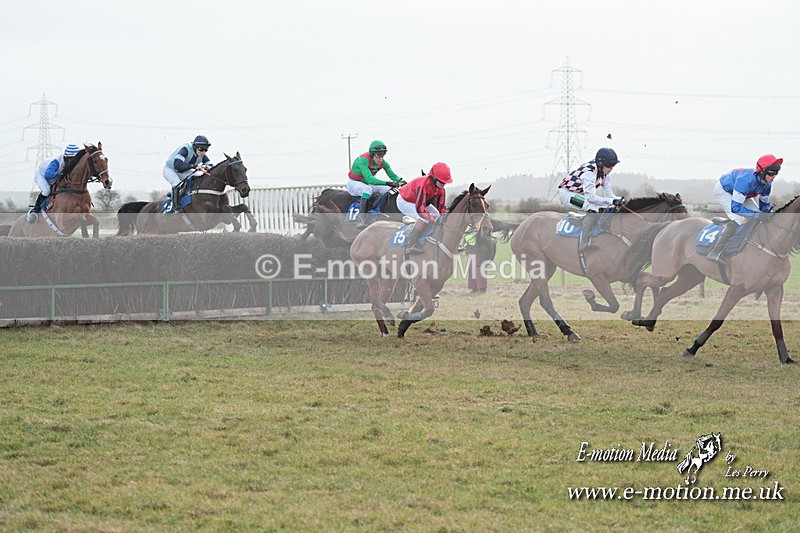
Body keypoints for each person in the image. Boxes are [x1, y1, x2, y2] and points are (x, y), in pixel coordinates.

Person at [706, 154, 781, 262]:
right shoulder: (745, 180)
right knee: (739, 218)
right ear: (762, 171)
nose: (774, 176)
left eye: (776, 173)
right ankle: (715, 251)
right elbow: (736, 208)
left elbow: (764, 206)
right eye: (771, 172)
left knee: (758, 216)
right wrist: (759, 215)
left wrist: (769, 215)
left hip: (743, 194)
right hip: (725, 190)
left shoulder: (767, 184)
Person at [558, 147, 623, 251]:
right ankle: (584, 242)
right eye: (609, 165)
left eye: (613, 165)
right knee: (593, 207)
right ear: (601, 163)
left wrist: (621, 200)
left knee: (603, 206)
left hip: (579, 195)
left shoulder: (605, 174)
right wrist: (611, 201)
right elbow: (591, 198)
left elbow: (609, 197)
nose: (611, 168)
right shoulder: (589, 173)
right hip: (567, 194)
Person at [347, 140, 405, 226]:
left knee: (389, 190)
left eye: (382, 155)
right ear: (372, 154)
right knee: (367, 190)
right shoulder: (363, 160)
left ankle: (379, 211)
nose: (380, 159)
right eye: (378, 156)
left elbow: (393, 176)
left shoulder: (383, 163)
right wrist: (388, 183)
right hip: (354, 183)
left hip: (366, 183)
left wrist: (403, 182)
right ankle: (361, 218)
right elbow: (370, 179)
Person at [396, 162, 450, 254]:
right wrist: (433, 219)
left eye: (445, 182)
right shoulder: (423, 184)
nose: (443, 184)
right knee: (423, 218)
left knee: (437, 215)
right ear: (433, 178)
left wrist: (444, 217)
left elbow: (441, 208)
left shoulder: (441, 189)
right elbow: (420, 209)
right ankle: (411, 244)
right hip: (405, 201)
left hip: (420, 201)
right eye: (441, 182)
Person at [28, 143, 81, 223]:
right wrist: (60, 175)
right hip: (42, 174)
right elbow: (48, 174)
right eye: (73, 159)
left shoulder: (71, 162)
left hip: (54, 176)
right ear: (67, 158)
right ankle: (35, 210)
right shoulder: (57, 161)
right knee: (46, 191)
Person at [163, 135, 213, 211]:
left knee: (198, 176)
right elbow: (178, 165)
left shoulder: (200, 153)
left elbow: (210, 165)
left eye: (205, 150)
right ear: (195, 147)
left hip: (183, 171)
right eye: (201, 149)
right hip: (170, 169)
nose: (203, 152)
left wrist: (207, 167)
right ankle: (176, 207)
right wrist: (194, 166)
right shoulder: (186, 149)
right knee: (176, 183)